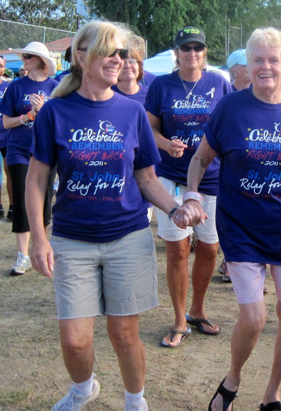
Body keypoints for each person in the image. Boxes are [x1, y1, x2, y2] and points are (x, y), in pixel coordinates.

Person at [25, 21, 204, 411]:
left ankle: (135, 401)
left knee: (124, 333)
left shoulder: (132, 112)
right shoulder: (56, 111)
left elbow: (146, 179)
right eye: (109, 51)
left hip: (127, 236)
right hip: (72, 238)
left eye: (122, 53)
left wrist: (176, 208)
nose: (118, 60)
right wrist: (38, 239)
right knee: (75, 339)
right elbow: (37, 178)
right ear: (81, 55)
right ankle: (82, 388)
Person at [186, 27, 281, 411]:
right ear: (247, 66)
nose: (266, 66)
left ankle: (272, 393)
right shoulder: (230, 108)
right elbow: (200, 159)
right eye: (258, 60)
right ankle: (233, 377)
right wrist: (191, 194)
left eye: (274, 60)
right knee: (254, 318)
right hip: (241, 229)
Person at [146, 26, 232, 348]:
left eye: (197, 48)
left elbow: (228, 125)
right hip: (170, 176)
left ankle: (198, 309)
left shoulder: (219, 84)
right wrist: (166, 143)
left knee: (210, 248)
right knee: (178, 249)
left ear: (205, 53)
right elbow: (149, 129)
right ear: (176, 53)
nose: (191, 54)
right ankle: (180, 318)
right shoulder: (161, 85)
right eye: (185, 48)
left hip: (211, 177)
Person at [0, 41, 58, 276]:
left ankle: (42, 247)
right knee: (24, 201)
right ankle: (22, 255)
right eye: (24, 55)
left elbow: (58, 123)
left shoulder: (56, 87)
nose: (23, 59)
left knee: (44, 200)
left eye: (28, 56)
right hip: (18, 150)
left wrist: (43, 112)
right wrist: (28, 115)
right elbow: (6, 122)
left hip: (45, 151)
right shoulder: (15, 86)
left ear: (41, 62)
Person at [0, 55, 12, 219]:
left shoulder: (9, 87)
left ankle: (13, 206)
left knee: (10, 171)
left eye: (1, 65)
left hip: (7, 135)